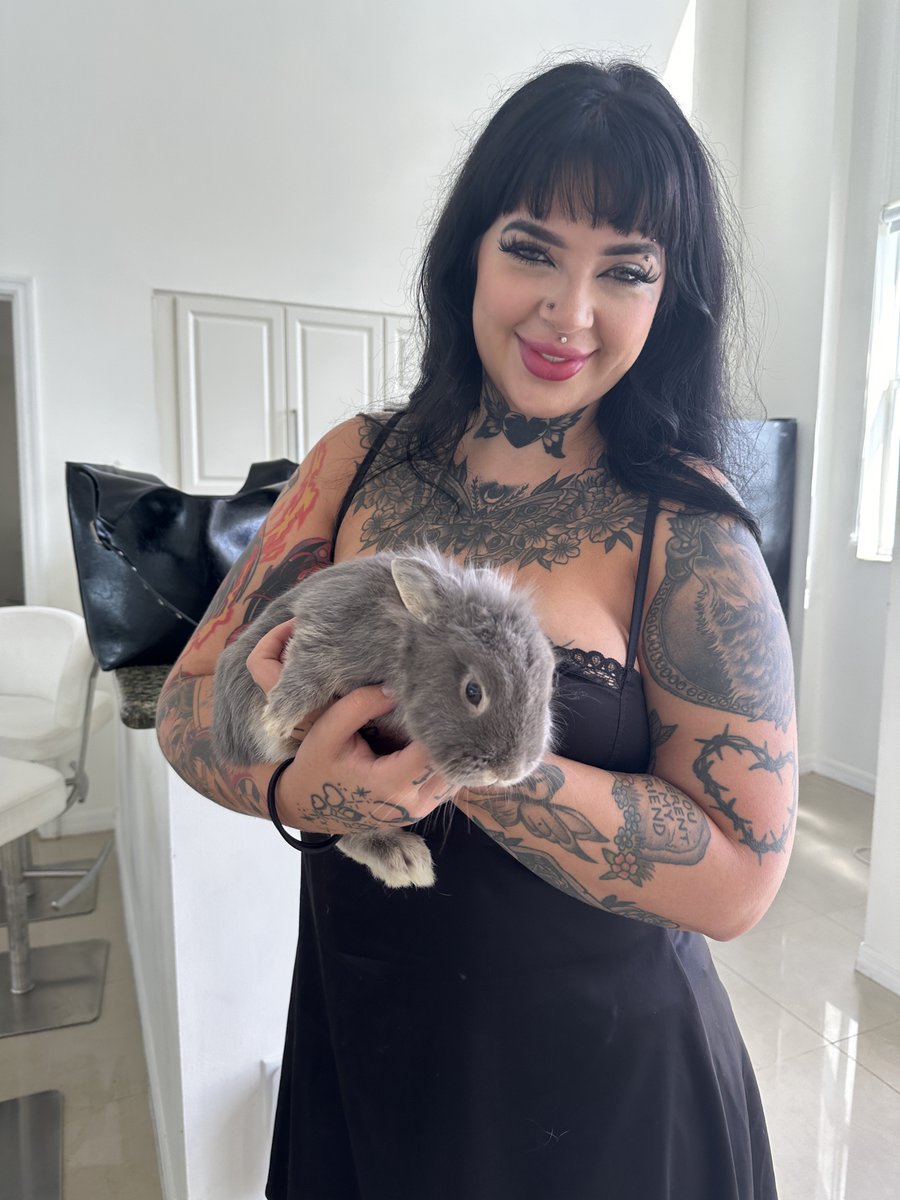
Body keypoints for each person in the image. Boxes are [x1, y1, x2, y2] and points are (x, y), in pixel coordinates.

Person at [156, 58, 797, 1200]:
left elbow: (742, 875)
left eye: (625, 270)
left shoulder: (687, 529)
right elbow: (187, 702)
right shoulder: (355, 466)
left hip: (607, 1101)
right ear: (471, 252)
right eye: (532, 249)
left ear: (670, 296)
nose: (570, 313)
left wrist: (484, 764)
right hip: (371, 1054)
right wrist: (295, 787)